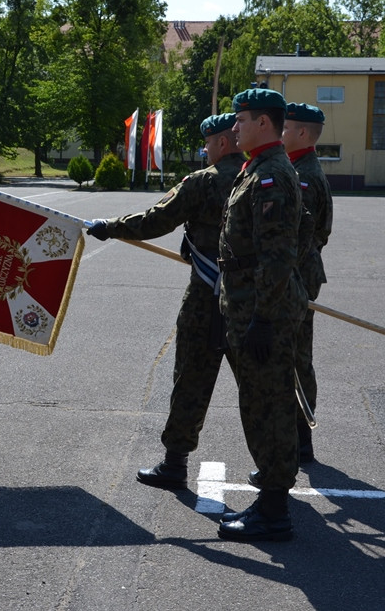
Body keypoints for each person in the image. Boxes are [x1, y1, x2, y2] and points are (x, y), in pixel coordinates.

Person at [87, 113, 242, 490]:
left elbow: (157, 220)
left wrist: (111, 227)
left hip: (207, 299)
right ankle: (278, 473)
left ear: (222, 143)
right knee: (260, 387)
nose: (205, 150)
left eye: (208, 143)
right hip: (254, 300)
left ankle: (175, 464)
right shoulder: (262, 177)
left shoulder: (205, 182)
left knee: (191, 378)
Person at [216, 88, 308, 542]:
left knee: (268, 406)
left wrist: (265, 319)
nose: (235, 127)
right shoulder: (259, 169)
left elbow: (277, 256)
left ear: (264, 124)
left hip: (261, 308)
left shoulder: (271, 175)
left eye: (242, 119)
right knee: (259, 402)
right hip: (249, 304)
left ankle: (273, 512)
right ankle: (271, 496)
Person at [283, 103, 333, 463]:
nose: (279, 134)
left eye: (285, 128)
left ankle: (301, 440)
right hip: (298, 275)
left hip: (296, 277)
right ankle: (297, 439)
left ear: (302, 133)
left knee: (296, 357)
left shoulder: (304, 176)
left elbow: (304, 237)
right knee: (294, 355)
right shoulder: (298, 168)